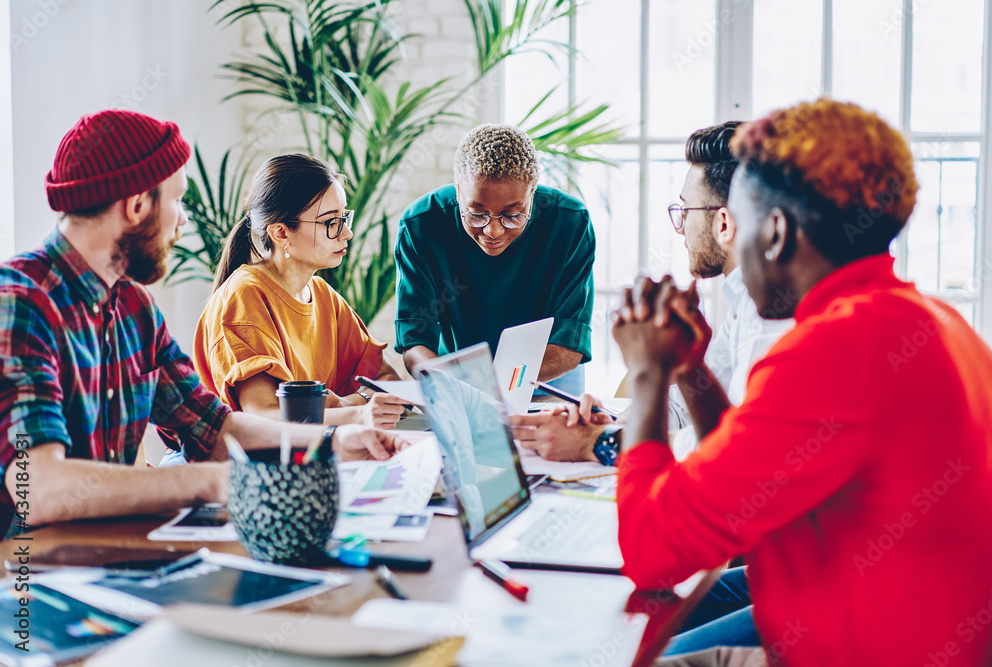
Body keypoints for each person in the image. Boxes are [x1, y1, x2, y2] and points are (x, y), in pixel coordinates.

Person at [613, 100, 992, 666]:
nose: (736, 255)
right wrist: (691, 371)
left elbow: (652, 552)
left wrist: (647, 374)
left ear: (774, 233)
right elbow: (748, 494)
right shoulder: (929, 319)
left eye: (739, 227)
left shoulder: (832, 350)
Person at [0, 110, 405, 537]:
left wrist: (334, 442)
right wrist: (218, 482)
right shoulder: (20, 303)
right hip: (31, 579)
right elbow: (38, 489)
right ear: (137, 205)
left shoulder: (135, 308)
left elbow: (217, 428)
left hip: (117, 555)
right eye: (176, 200)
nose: (184, 219)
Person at [511, 122, 790, 467]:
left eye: (685, 211)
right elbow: (685, 410)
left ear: (723, 223)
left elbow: (741, 451)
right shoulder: (743, 303)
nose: (680, 229)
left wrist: (599, 444)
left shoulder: (772, 321)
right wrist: (615, 421)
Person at [191, 154, 408, 431]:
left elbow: (387, 380)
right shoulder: (244, 296)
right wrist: (357, 413)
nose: (346, 234)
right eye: (331, 222)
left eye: (344, 217)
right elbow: (261, 416)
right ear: (281, 233)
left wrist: (345, 404)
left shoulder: (322, 295)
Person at [394, 123, 595, 393]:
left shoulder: (570, 222)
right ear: (457, 191)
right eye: (476, 213)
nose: (493, 230)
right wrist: (455, 385)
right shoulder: (421, 225)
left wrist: (493, 385)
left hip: (548, 371)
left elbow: (570, 343)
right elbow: (415, 340)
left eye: (513, 215)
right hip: (456, 375)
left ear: (532, 192)